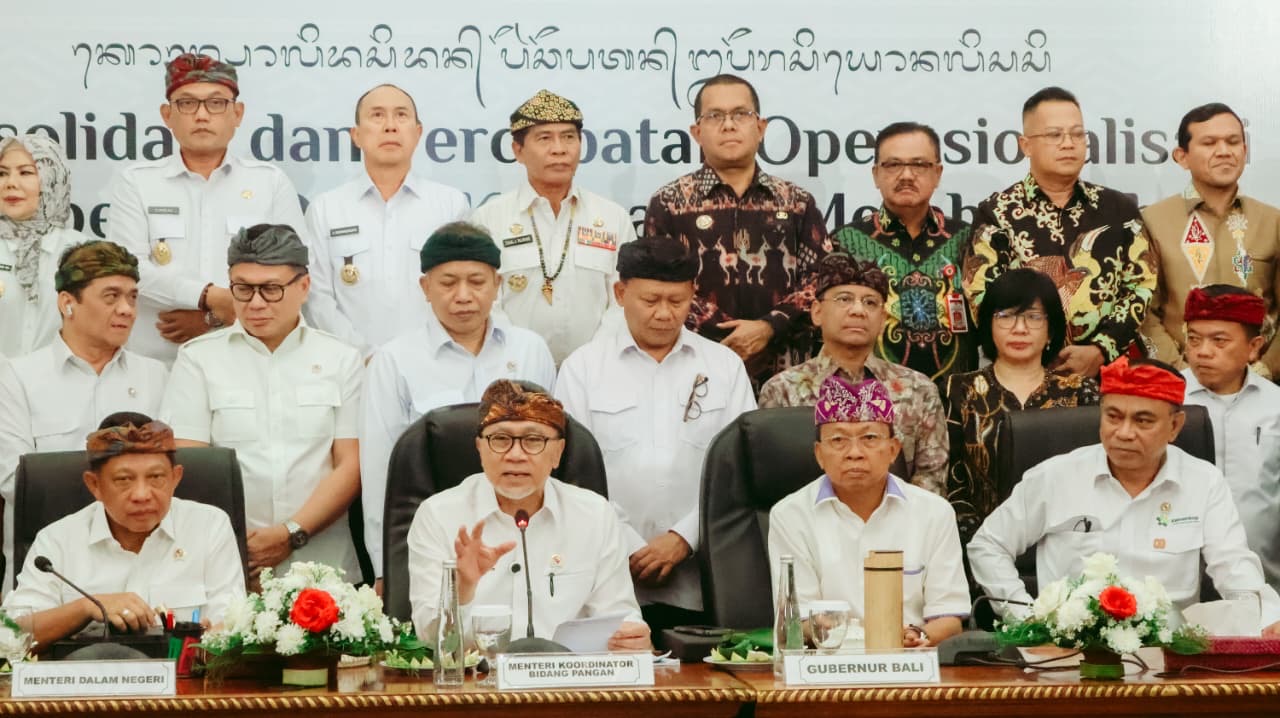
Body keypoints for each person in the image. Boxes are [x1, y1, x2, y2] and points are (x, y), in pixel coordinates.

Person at [968, 356, 1280, 633]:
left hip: (1169, 654)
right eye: (1113, 417)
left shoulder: (1204, 481)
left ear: (1175, 426)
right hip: (1070, 655)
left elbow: (1233, 566)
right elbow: (988, 545)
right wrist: (1027, 621)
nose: (1125, 433)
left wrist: (1265, 620)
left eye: (1143, 421)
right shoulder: (1056, 476)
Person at [555, 235, 756, 640]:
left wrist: (684, 538)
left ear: (693, 294)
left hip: (704, 572)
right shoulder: (583, 369)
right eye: (650, 300)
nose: (664, 313)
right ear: (620, 293)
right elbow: (572, 474)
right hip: (606, 571)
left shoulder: (724, 366)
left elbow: (740, 467)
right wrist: (627, 543)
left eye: (677, 301)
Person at [161, 224, 363, 583]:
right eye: (243, 289)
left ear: (304, 286)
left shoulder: (342, 359)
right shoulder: (198, 359)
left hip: (324, 568)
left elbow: (350, 464)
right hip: (230, 564)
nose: (255, 303)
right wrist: (241, 546)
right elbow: (192, 464)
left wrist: (292, 533)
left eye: (271, 289)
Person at [360, 222, 555, 581]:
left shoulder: (530, 350)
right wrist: (386, 569)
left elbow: (551, 452)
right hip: (433, 542)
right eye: (448, 283)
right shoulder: (394, 361)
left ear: (497, 284)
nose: (463, 296)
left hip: (523, 537)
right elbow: (379, 475)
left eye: (477, 282)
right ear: (425, 287)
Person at [407, 380, 650, 650]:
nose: (515, 455)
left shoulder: (595, 515)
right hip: (476, 675)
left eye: (533, 440)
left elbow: (619, 616)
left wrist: (632, 637)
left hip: (568, 675)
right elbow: (428, 638)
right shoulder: (438, 515)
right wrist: (463, 589)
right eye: (500, 439)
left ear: (558, 452)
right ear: (480, 449)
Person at [106, 53, 308, 364]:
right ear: (167, 115)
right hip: (157, 364)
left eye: (216, 103)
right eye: (187, 103)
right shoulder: (136, 183)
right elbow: (126, 270)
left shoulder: (270, 182)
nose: (201, 115)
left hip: (247, 361)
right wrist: (207, 297)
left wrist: (216, 319)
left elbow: (293, 274)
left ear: (237, 114)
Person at [0, 240, 168, 589]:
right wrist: (119, 491)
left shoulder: (156, 376)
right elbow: (17, 481)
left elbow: (169, 474)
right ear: (67, 303)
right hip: (51, 569)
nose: (127, 310)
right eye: (111, 296)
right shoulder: (16, 377)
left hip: (146, 569)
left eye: (132, 297)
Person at [645, 74, 830, 385]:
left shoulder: (797, 203)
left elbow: (821, 280)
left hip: (786, 373)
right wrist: (728, 337)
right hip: (698, 368)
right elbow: (660, 285)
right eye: (715, 116)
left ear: (761, 127)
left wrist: (769, 327)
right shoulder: (669, 203)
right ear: (696, 132)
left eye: (740, 114)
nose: (728, 125)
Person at [3, 413, 244, 649]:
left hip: (183, 674)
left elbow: (234, 626)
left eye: (156, 477)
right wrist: (85, 608)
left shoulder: (209, 526)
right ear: (94, 485)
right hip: (87, 675)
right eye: (124, 480)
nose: (142, 494)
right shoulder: (57, 540)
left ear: (175, 478)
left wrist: (212, 638)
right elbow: (9, 638)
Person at [962, 86, 1157, 378]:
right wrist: (1036, 354)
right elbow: (982, 298)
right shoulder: (995, 214)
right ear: (1025, 145)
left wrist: (1101, 349)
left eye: (1077, 134)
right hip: (1024, 375)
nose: (1068, 144)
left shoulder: (1119, 210)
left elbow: (1141, 286)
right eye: (1054, 135)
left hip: (1109, 375)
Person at [769, 374, 969, 647]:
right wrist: (858, 636)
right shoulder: (790, 516)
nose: (855, 452)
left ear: (893, 450)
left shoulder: (934, 513)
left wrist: (917, 636)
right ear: (819, 454)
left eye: (870, 438)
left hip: (910, 660)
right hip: (830, 661)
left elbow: (949, 617)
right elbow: (800, 619)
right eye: (838, 440)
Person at [469, 89, 636, 364]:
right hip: (512, 367)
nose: (559, 149)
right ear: (518, 150)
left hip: (597, 368)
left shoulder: (613, 218)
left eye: (569, 137)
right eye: (544, 138)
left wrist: (592, 361)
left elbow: (625, 299)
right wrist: (520, 356)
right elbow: (486, 302)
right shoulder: (489, 219)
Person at [759, 254, 948, 496]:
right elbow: (775, 482)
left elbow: (931, 483)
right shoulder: (782, 390)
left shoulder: (918, 390)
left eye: (870, 302)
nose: (858, 310)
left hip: (900, 518)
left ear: (883, 319)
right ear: (817, 312)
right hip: (808, 518)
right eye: (844, 299)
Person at [303, 84, 470, 356]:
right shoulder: (326, 209)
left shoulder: (450, 205)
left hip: (435, 362)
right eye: (377, 115)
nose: (390, 126)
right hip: (350, 367)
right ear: (356, 136)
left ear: (418, 133)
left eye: (401, 115)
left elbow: (463, 294)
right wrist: (364, 356)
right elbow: (316, 298)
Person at [943, 268, 1099, 546]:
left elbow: (1094, 477)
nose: (1019, 328)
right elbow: (950, 479)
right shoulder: (958, 390)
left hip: (1066, 545)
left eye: (1033, 317)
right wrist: (983, 543)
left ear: (1051, 330)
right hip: (976, 543)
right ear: (989, 326)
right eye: (1005, 316)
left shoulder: (1080, 391)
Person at [1140, 103, 1280, 379]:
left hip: (1264, 386)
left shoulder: (1273, 221)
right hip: (1179, 386)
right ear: (1182, 157)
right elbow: (1144, 314)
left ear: (1245, 151)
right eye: (1209, 143)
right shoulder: (1153, 221)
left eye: (1233, 142)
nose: (1224, 151)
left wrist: (1264, 371)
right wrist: (1181, 374)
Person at [832, 122, 977, 382]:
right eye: (893, 165)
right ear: (876, 174)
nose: (907, 175)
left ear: (938, 173)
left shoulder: (967, 239)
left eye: (919, 165)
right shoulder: (845, 242)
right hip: (870, 397)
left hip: (956, 395)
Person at [1181, 285, 1280, 591]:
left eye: (1219, 341)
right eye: (1194, 339)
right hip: (1178, 582)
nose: (1203, 351)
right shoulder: (1165, 401)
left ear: (1254, 347)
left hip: (1263, 580)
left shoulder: (1275, 406)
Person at [0, 135, 87, 358]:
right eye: (2, 173)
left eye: (25, 172)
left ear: (52, 179)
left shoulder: (84, 253)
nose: (10, 183)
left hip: (62, 379)